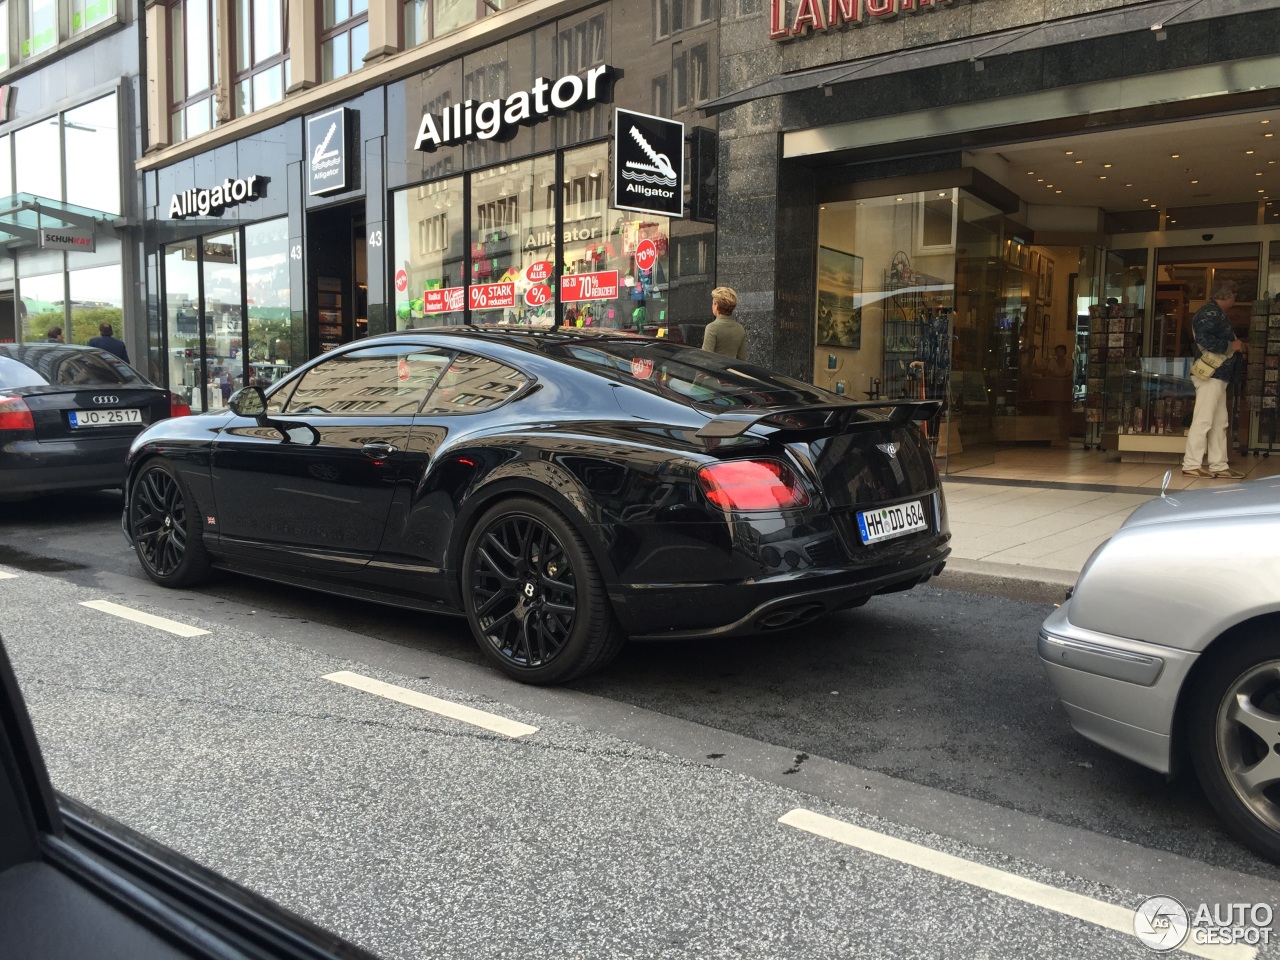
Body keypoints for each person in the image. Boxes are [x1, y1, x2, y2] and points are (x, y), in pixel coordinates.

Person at [1182, 278, 1246, 480]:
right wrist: (1231, 346)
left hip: (1217, 375)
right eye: (1234, 294)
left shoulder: (1213, 313)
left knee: (1219, 422)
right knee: (1203, 419)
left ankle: (1219, 465)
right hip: (1211, 374)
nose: (1235, 299)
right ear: (1227, 295)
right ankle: (1192, 463)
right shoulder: (1210, 313)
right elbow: (1204, 338)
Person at [701, 286, 747, 359]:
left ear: (716, 305)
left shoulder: (712, 328)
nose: (712, 306)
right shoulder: (740, 329)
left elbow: (705, 358)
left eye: (713, 303)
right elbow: (742, 358)